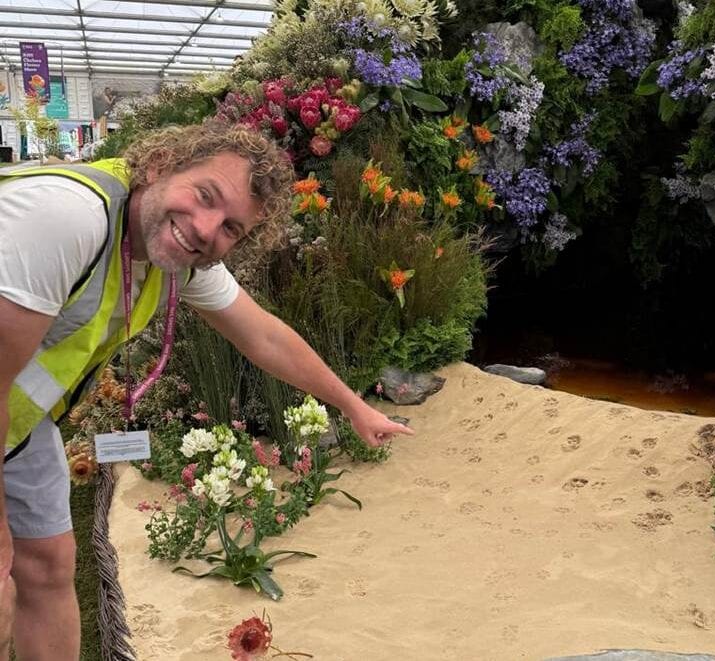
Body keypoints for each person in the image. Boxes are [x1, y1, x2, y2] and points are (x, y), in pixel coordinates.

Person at [0, 121, 413, 660]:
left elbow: (263, 336)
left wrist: (353, 406)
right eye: (204, 195)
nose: (205, 228)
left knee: (49, 566)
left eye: (231, 228)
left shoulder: (175, 257)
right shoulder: (66, 216)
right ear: (160, 164)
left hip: (20, 420)